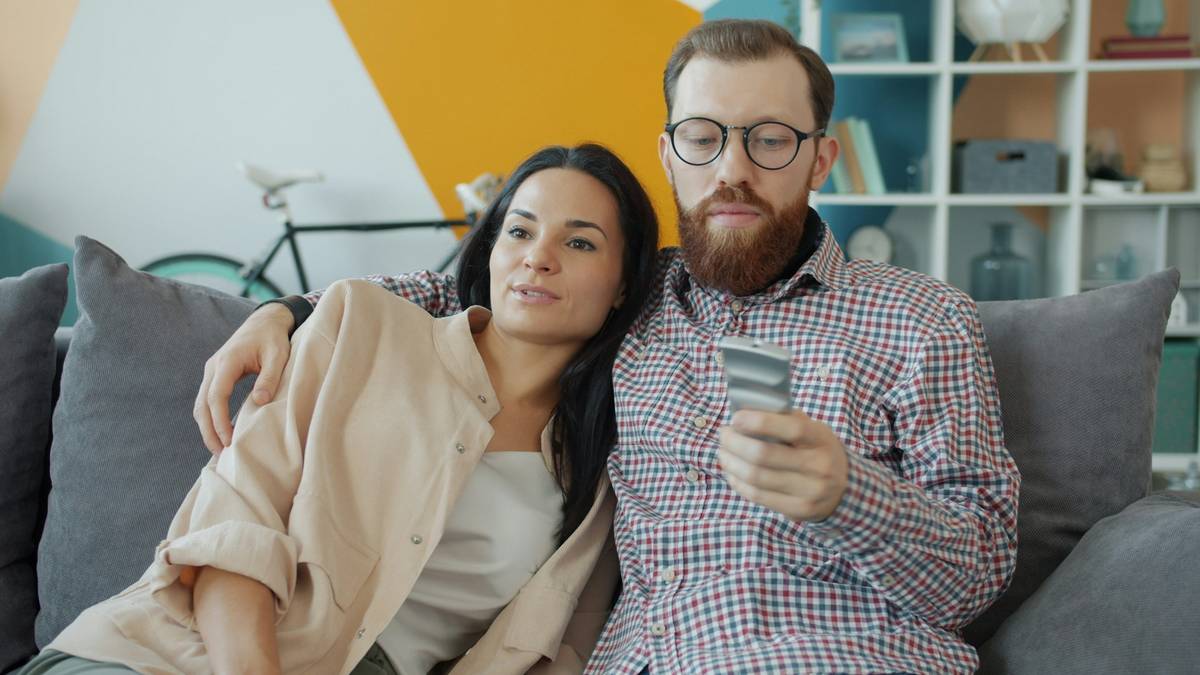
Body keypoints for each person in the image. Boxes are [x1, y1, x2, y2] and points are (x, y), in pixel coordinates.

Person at [194, 20, 1020, 674]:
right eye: (703, 136)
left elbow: (979, 579)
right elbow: (479, 283)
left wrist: (851, 495)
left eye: (770, 140)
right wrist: (287, 310)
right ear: (670, 154)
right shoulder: (622, 288)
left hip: (836, 655)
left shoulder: (924, 322)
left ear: (821, 159)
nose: (732, 167)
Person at [18, 143, 659, 675]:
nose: (537, 257)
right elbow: (233, 531)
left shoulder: (607, 476)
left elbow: (563, 652)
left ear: (624, 282)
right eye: (519, 230)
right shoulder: (362, 326)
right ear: (491, 249)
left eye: (580, 244)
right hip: (184, 656)